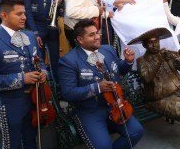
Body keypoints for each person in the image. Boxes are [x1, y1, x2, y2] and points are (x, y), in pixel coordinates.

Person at [57, 19, 143, 148]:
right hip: (90, 112)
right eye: (91, 35)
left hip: (116, 107)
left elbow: (119, 69)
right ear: (80, 40)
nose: (97, 37)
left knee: (136, 132)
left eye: (97, 32)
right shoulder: (68, 61)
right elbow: (68, 93)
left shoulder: (107, 49)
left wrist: (127, 62)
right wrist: (97, 87)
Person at [0, 0, 47, 148]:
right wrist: (22, 79)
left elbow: (39, 61)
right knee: (11, 145)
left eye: (25, 13)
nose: (24, 17)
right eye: (19, 14)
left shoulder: (30, 36)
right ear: (4, 15)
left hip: (35, 102)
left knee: (31, 142)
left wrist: (43, 73)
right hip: (10, 105)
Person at [19, 0, 64, 82]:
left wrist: (61, 1)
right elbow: (26, 9)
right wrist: (34, 32)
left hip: (53, 27)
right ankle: (43, 91)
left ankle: (57, 90)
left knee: (56, 60)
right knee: (38, 61)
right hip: (37, 26)